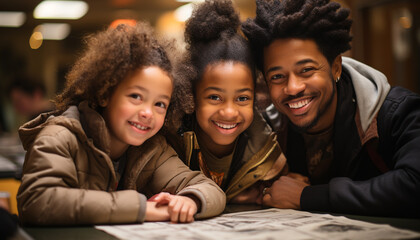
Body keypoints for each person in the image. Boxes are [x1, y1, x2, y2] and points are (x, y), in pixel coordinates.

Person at [16, 22, 225, 226]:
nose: (147, 113)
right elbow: (37, 200)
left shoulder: (153, 149)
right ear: (104, 94)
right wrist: (143, 209)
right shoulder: (59, 137)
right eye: (135, 96)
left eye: (160, 104)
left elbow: (210, 190)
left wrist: (191, 199)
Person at [241, 0, 420, 217]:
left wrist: (308, 196)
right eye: (277, 76)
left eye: (306, 70)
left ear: (336, 67)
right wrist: (264, 188)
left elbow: (414, 183)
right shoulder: (266, 130)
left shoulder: (396, 113)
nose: (293, 88)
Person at [165, 0, 297, 205]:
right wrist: (234, 198)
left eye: (242, 98)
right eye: (215, 97)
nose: (229, 112)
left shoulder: (266, 149)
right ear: (191, 95)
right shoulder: (170, 140)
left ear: (255, 97)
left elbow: (281, 190)